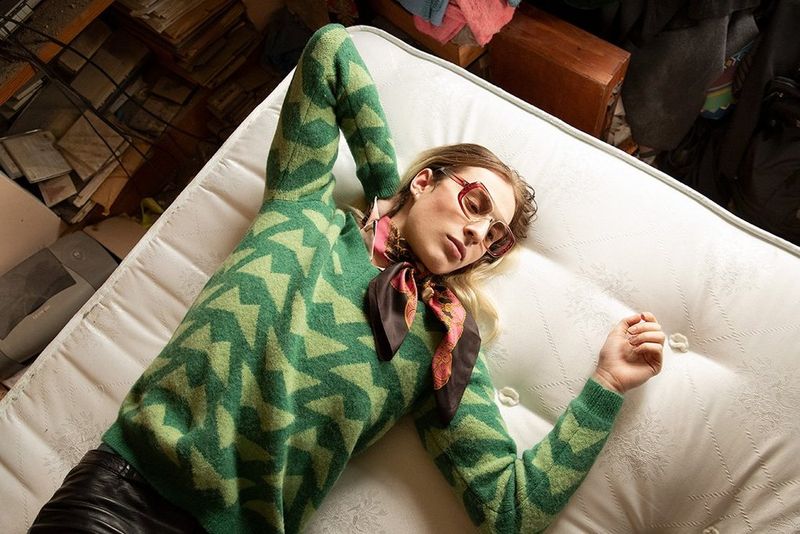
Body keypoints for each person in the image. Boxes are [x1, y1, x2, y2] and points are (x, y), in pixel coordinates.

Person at [30, 24, 665, 534]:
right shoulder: (302, 204)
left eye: (493, 238)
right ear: (426, 182)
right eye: (474, 203)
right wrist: (385, 192)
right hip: (120, 493)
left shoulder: (440, 344)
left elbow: (512, 509)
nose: (478, 235)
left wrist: (606, 385)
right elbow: (331, 50)